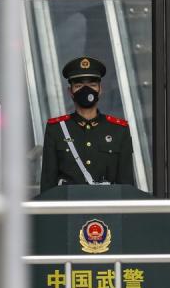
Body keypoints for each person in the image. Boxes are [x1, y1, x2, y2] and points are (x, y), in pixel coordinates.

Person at [39, 56, 135, 193]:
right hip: (68, 208)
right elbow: (48, 183)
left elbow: (127, 184)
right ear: (70, 92)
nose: (86, 90)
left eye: (92, 85)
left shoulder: (119, 129)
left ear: (100, 89)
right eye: (78, 86)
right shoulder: (56, 129)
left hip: (107, 207)